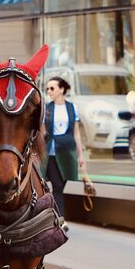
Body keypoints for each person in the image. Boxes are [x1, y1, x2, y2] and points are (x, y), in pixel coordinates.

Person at [43, 76, 86, 214]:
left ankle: (53, 216)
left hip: (66, 152)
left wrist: (80, 156)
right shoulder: (46, 108)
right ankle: (59, 218)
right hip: (50, 153)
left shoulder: (72, 107)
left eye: (52, 88)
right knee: (57, 185)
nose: (49, 91)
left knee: (60, 187)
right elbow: (41, 131)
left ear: (61, 89)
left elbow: (76, 133)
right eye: (47, 89)